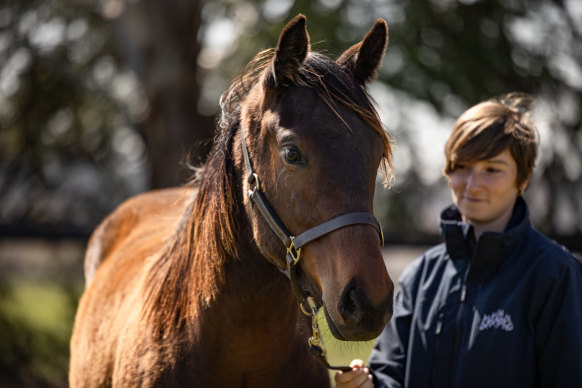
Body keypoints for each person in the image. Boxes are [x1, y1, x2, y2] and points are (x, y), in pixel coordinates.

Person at [335, 93, 582, 388]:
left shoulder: (556, 275)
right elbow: (392, 376)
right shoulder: (420, 277)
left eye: (492, 170)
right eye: (462, 167)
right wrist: (369, 385)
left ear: (524, 178)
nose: (473, 185)